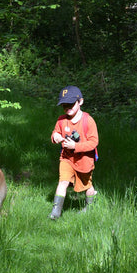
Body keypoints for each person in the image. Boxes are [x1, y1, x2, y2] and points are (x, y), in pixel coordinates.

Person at [49, 85, 98, 220]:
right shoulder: (61, 120)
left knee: (87, 185)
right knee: (63, 181)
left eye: (71, 104)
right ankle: (55, 212)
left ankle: (90, 206)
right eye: (64, 105)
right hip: (66, 158)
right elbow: (55, 132)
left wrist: (75, 146)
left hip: (84, 160)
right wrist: (56, 137)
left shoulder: (88, 120)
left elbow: (94, 142)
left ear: (80, 102)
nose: (67, 108)